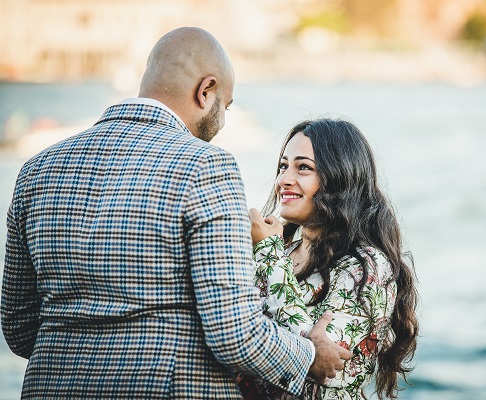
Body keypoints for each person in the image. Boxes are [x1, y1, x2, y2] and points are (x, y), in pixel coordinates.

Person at [1, 27, 352, 399]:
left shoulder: (36, 170)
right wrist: (308, 355)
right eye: (225, 106)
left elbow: (20, 329)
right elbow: (234, 333)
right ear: (206, 90)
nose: (222, 122)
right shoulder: (207, 166)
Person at [246, 119, 419, 399]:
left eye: (303, 167)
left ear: (339, 178)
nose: (283, 180)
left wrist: (267, 250)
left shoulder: (369, 266)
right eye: (283, 166)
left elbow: (320, 363)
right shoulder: (282, 253)